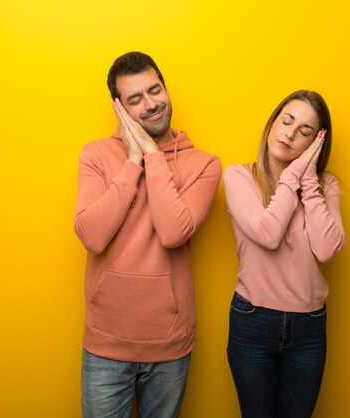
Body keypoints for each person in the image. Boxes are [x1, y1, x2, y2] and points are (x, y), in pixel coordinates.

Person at [74, 51, 222, 418]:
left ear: (167, 90)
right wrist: (132, 161)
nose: (151, 104)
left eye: (155, 90)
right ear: (119, 109)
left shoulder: (204, 164)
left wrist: (153, 156)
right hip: (106, 345)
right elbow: (92, 237)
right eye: (135, 99)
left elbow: (173, 233)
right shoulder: (95, 155)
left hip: (169, 345)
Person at [224, 90, 345, 418]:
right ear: (272, 124)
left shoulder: (325, 185)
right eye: (286, 121)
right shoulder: (239, 176)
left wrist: (309, 182)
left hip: (309, 327)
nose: (290, 134)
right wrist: (293, 177)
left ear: (316, 144)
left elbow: (327, 248)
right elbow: (269, 233)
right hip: (253, 321)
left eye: (305, 131)